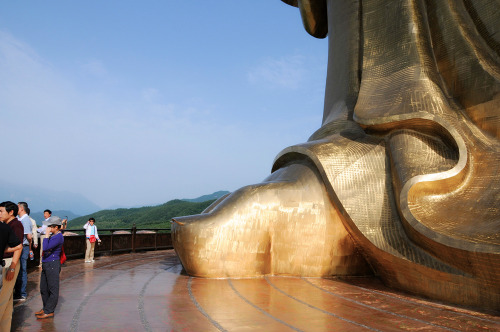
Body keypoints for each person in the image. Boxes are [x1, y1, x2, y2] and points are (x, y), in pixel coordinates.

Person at [0, 201, 23, 331]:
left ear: (11, 212)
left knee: (2, 300)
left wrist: (12, 267)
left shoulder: (16, 225)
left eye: (1, 211)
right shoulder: (7, 225)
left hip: (9, 263)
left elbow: (17, 248)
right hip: (8, 262)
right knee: (7, 301)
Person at [36, 216, 64, 319]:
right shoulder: (54, 235)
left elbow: (46, 247)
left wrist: (46, 235)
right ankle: (46, 307)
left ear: (56, 227)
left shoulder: (59, 236)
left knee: (53, 288)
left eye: (50, 226)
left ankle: (49, 310)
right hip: (47, 263)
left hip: (52, 263)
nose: (48, 228)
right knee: (43, 288)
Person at [14, 202, 32, 302]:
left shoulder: (25, 220)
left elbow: (29, 236)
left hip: (23, 247)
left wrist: (29, 248)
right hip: (22, 247)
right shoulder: (21, 219)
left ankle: (22, 293)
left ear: (21, 209)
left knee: (22, 270)